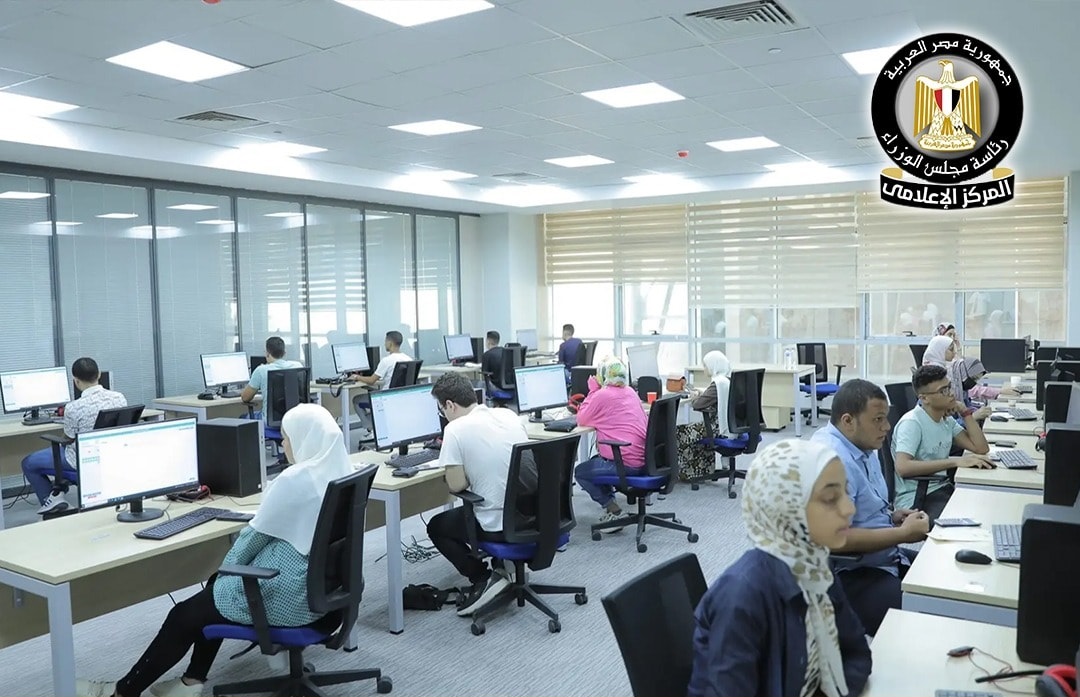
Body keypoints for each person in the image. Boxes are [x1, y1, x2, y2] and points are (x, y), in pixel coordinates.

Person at [76, 404, 353, 697]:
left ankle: (122, 692)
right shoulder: (341, 472)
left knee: (182, 615)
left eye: (286, 438)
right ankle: (191, 681)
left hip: (295, 602)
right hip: (330, 598)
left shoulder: (295, 480)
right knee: (213, 589)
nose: (283, 444)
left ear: (304, 439)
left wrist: (226, 570)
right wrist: (221, 580)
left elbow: (251, 541)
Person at [687, 439, 871, 697]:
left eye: (845, 492)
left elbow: (856, 654)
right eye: (831, 498)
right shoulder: (743, 596)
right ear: (786, 508)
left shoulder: (814, 565)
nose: (849, 508)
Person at [811, 380, 929, 635]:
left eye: (885, 417)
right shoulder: (832, 461)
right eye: (878, 419)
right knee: (923, 624)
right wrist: (903, 534)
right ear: (848, 421)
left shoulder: (860, 445)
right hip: (851, 571)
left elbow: (861, 508)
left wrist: (892, 517)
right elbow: (833, 539)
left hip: (882, 555)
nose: (887, 426)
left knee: (947, 581)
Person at [425, 373, 529, 617]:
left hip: (499, 524)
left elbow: (456, 485)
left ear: (450, 405)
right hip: (532, 514)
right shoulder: (507, 415)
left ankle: (482, 578)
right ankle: (502, 568)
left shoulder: (455, 429)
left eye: (442, 410)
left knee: (437, 526)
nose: (443, 415)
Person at [21, 357, 127, 515]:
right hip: (109, 457)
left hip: (81, 461)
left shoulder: (73, 407)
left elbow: (68, 439)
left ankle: (52, 504)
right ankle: (58, 494)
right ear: (98, 374)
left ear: (76, 381)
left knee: (28, 463)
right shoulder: (119, 398)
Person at [892, 365, 993, 521]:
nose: (951, 393)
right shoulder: (912, 423)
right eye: (943, 391)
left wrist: (965, 412)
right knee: (971, 519)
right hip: (917, 498)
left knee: (984, 507)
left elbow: (980, 448)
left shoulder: (945, 420)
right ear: (924, 398)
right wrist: (955, 461)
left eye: (949, 387)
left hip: (941, 488)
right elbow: (903, 467)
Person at [573, 357, 647, 527]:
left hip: (626, 463)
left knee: (581, 472)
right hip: (644, 459)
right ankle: (612, 509)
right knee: (596, 462)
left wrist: (593, 391)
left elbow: (581, 419)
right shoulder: (630, 392)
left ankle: (613, 510)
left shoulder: (602, 395)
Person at [240, 336, 304, 420]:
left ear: (267, 353)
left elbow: (245, 398)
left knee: (242, 417)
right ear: (284, 352)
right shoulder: (298, 366)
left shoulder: (261, 370)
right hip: (294, 420)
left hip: (270, 421)